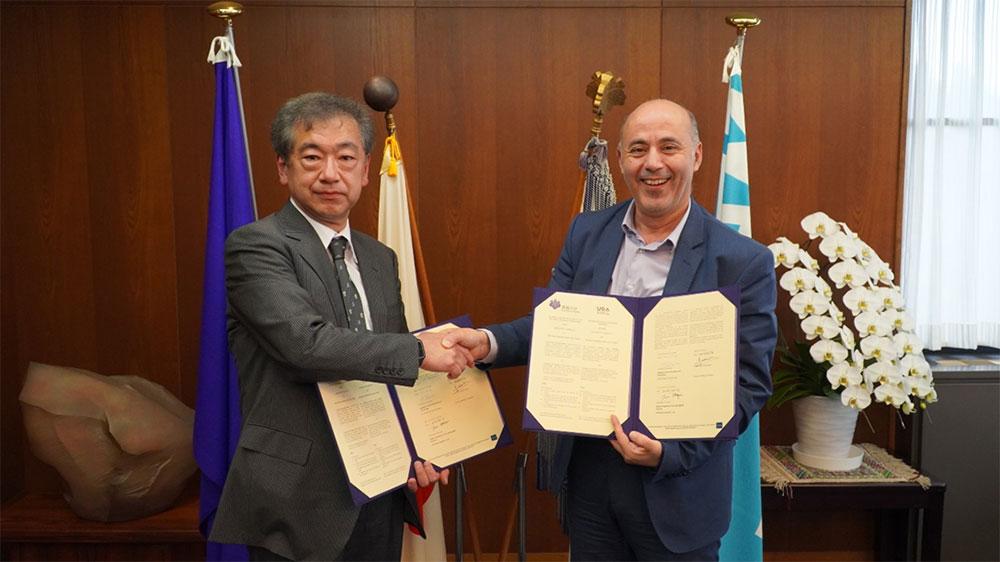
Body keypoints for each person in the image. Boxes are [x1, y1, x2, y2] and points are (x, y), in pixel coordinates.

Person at [446, 99, 777, 561]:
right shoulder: (587, 233)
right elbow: (556, 328)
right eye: (638, 149)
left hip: (679, 489)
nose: (653, 163)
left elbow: (749, 384)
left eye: (669, 147)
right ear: (620, 160)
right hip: (592, 483)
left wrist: (670, 454)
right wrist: (489, 342)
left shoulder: (742, 261)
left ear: (697, 156)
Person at [209, 92, 472, 561]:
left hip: (382, 486)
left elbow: (389, 373)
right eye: (312, 157)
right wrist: (418, 352)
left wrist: (421, 445)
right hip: (297, 499)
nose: (330, 173)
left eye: (346, 157)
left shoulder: (378, 258)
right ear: (283, 168)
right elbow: (304, 345)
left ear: (366, 170)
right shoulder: (255, 246)